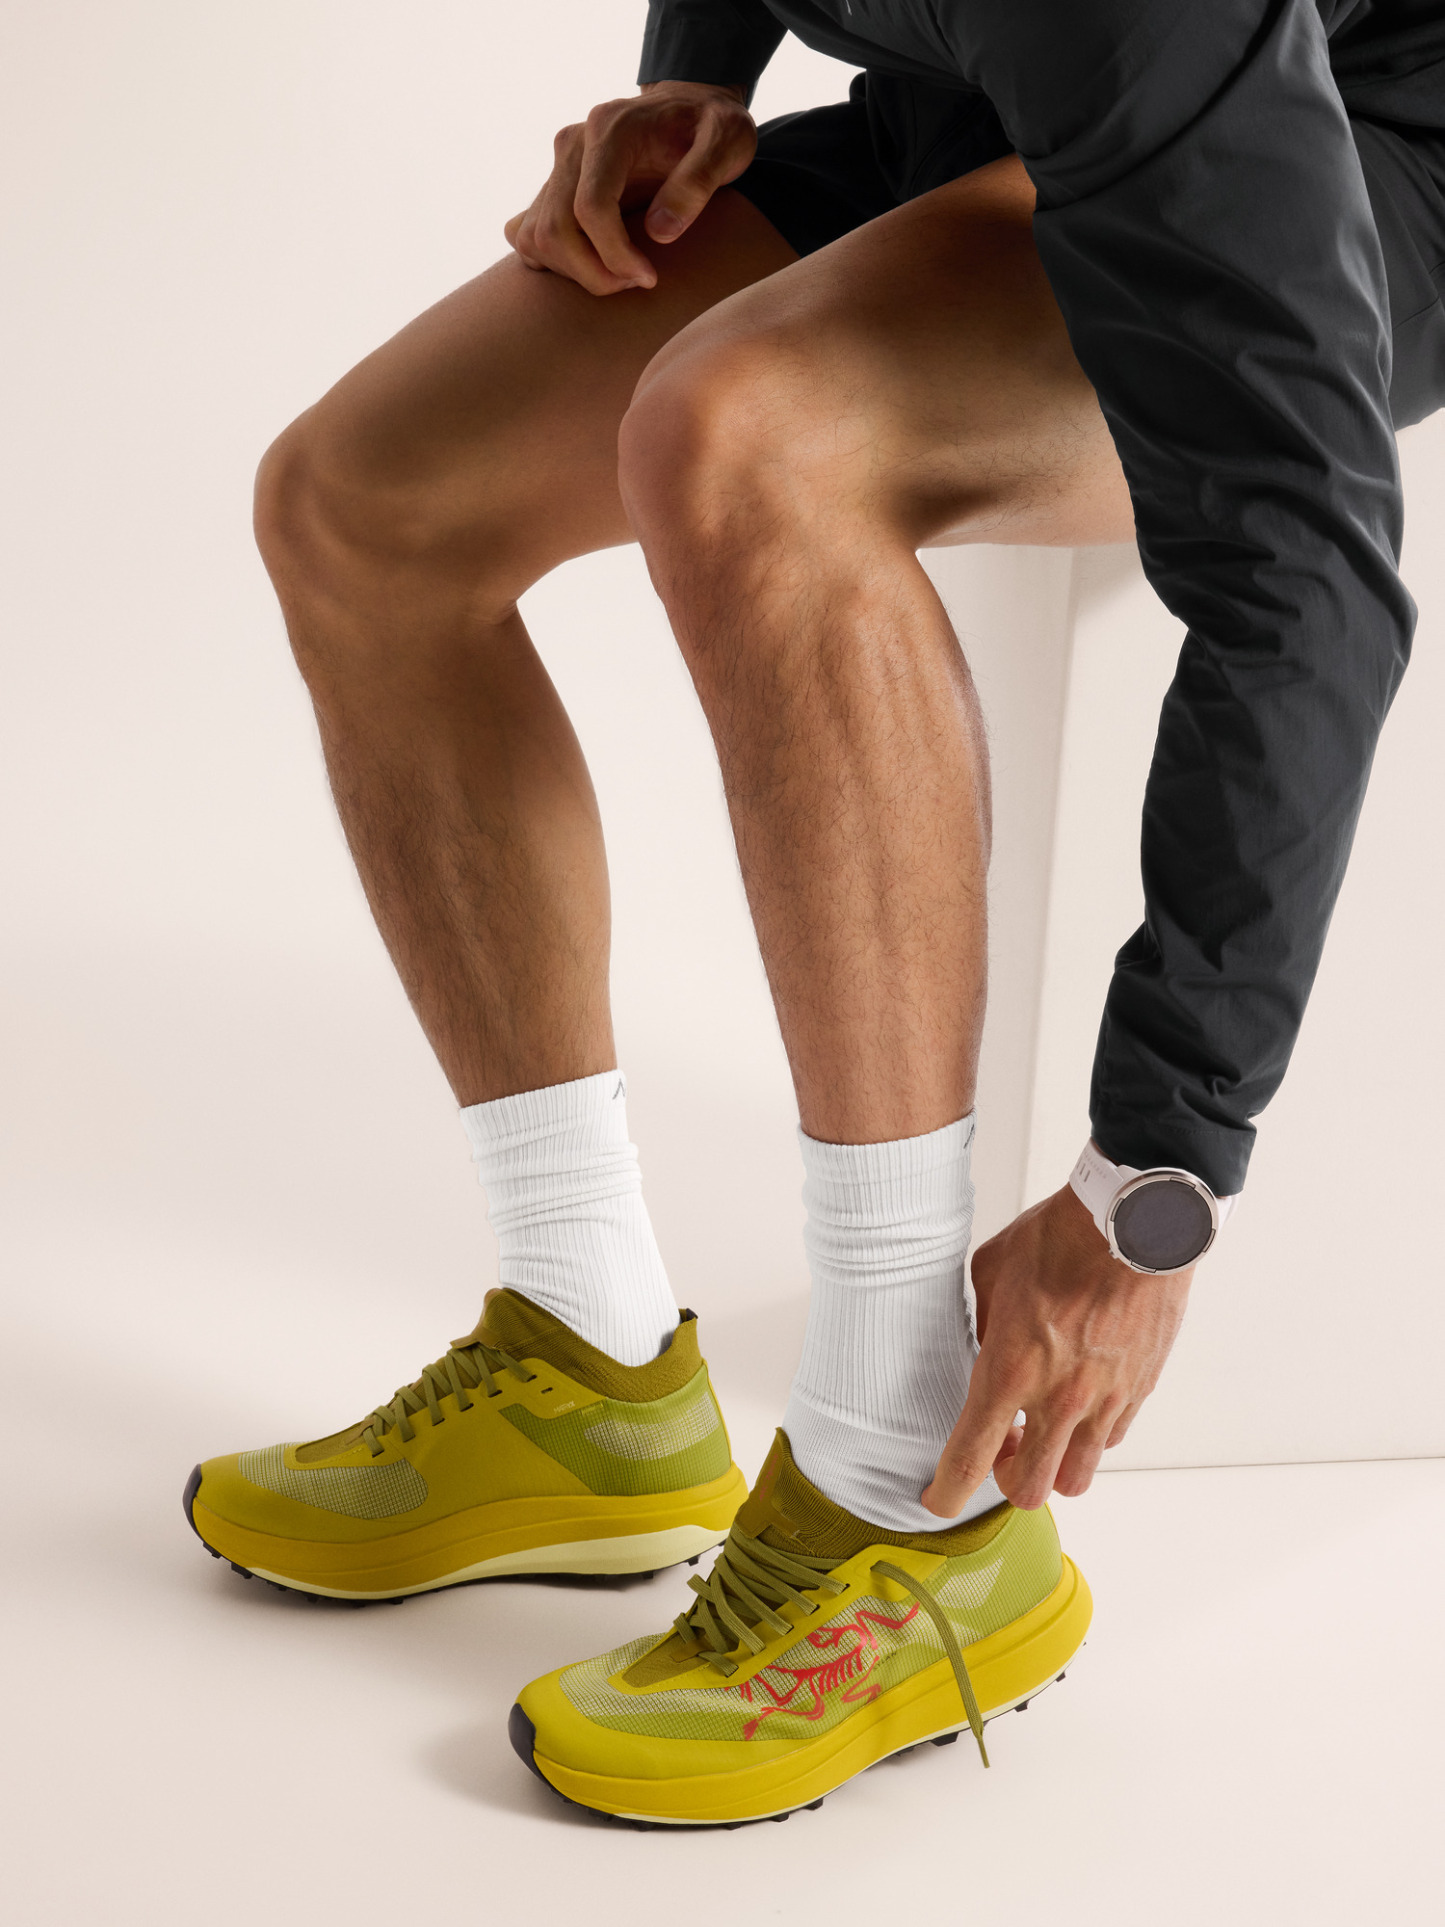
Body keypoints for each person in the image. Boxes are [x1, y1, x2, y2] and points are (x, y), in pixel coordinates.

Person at [184, 0, 1445, 1825]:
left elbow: (1305, 577)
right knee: (363, 499)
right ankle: (592, 1363)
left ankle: (902, 1498)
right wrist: (697, 70)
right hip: (989, 105)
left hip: (1347, 164)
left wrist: (1152, 1183)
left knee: (746, 430)